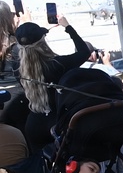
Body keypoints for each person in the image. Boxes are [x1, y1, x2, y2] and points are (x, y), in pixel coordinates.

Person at [12, 18, 90, 153]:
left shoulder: (17, 68)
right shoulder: (57, 64)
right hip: (58, 123)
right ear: (43, 41)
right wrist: (68, 27)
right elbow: (84, 52)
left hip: (34, 124)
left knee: (43, 168)